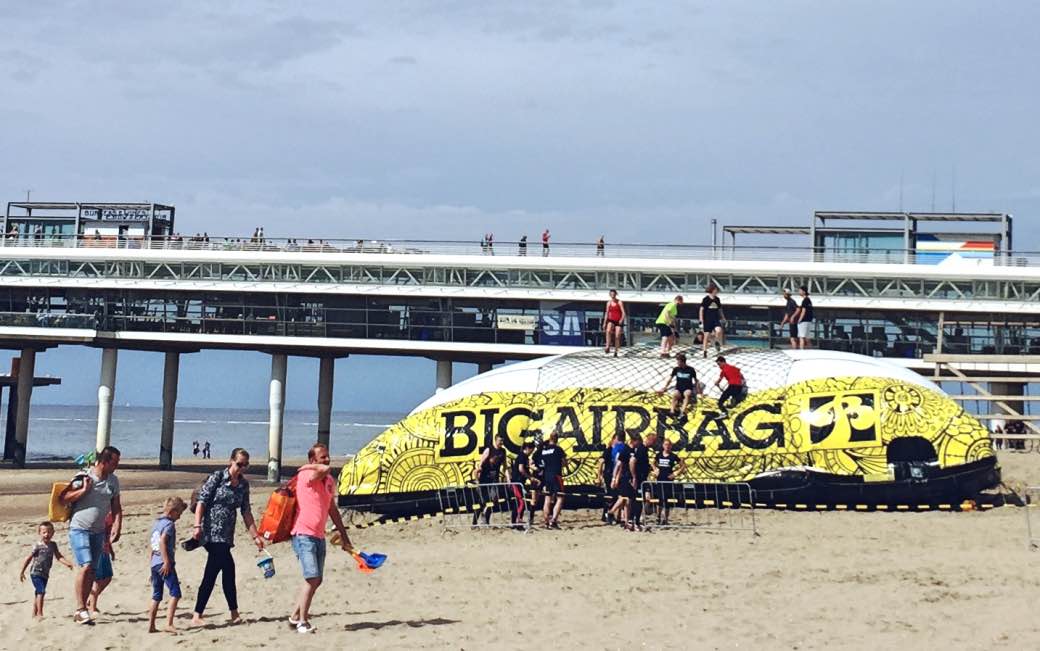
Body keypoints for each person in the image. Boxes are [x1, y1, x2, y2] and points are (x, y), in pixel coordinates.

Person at [190, 448, 264, 627]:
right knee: (222, 570)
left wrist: (255, 536)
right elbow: (202, 501)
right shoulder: (217, 477)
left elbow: (246, 511)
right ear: (231, 461)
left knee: (221, 571)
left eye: (245, 465)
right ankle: (204, 614)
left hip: (227, 535)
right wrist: (197, 526)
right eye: (239, 464)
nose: (242, 468)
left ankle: (217, 613)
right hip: (211, 533)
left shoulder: (243, 485)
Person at [289, 443, 353, 634]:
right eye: (322, 457)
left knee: (317, 580)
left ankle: (294, 616)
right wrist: (311, 467)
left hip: (319, 536)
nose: (326, 460)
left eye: (327, 456)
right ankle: (302, 622)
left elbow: (332, 509)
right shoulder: (306, 476)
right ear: (312, 461)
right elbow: (324, 469)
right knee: (312, 577)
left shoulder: (328, 481)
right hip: (303, 534)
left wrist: (344, 534)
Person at [59, 445, 122, 625]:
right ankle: (80, 608)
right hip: (79, 528)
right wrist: (83, 491)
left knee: (93, 570)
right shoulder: (84, 476)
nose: (117, 466)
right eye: (115, 462)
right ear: (104, 461)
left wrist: (118, 524)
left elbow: (116, 507)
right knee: (85, 566)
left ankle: (83, 610)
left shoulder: (113, 481)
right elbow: (63, 498)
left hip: (99, 531)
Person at [148, 497, 187, 634]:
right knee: (175, 593)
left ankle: (151, 625)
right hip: (164, 563)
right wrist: (166, 562)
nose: (180, 517)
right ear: (172, 511)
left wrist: (151, 565)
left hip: (154, 564)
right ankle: (169, 623)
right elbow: (162, 542)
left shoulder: (156, 524)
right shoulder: (169, 525)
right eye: (179, 513)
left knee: (156, 595)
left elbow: (152, 546)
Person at [20, 522, 72, 619]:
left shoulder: (53, 545)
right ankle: (40, 613)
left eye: (49, 532)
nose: (46, 535)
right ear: (39, 533)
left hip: (45, 573)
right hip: (35, 572)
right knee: (41, 591)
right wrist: (22, 571)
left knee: (38, 592)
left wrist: (67, 563)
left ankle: (34, 614)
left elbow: (58, 556)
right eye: (44, 532)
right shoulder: (38, 545)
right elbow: (29, 558)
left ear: (53, 533)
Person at [85, 511, 116, 618]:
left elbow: (107, 534)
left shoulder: (111, 515)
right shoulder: (101, 514)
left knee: (108, 577)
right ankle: (92, 607)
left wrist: (111, 550)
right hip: (98, 549)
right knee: (98, 579)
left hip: (105, 549)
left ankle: (91, 599)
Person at [472, 435, 507, 526]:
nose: (501, 443)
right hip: (484, 478)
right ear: (495, 440)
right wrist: (477, 479)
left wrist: (508, 478)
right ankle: (474, 522)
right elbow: (480, 464)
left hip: (494, 479)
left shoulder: (503, 451)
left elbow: (505, 466)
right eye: (500, 441)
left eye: (502, 441)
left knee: (494, 500)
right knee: (482, 501)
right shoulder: (489, 450)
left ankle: (486, 518)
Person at [536, 431, 566, 528]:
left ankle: (546, 520)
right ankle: (553, 520)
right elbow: (565, 462)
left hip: (547, 475)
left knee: (547, 498)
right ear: (557, 439)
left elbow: (539, 462)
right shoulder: (558, 449)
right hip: (556, 475)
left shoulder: (544, 451)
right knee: (560, 497)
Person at [652, 438, 685, 525]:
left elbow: (682, 466)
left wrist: (675, 474)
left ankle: (665, 519)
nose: (667, 446)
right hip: (659, 480)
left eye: (669, 445)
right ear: (663, 446)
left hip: (668, 480)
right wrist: (655, 470)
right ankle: (658, 517)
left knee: (666, 500)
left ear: (671, 446)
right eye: (666, 444)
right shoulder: (659, 455)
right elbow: (653, 463)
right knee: (659, 499)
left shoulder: (673, 456)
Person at [509, 440, 535, 529]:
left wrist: (531, 477)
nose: (532, 452)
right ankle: (518, 522)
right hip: (516, 482)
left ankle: (514, 522)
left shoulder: (525, 457)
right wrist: (529, 477)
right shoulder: (522, 456)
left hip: (519, 482)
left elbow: (525, 469)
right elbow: (521, 469)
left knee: (517, 503)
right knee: (521, 502)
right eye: (532, 450)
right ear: (527, 448)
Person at [629, 434, 651, 530]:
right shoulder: (641, 448)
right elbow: (632, 461)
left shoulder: (643, 449)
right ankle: (635, 521)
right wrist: (634, 477)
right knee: (638, 500)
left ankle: (638, 520)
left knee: (643, 498)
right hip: (639, 479)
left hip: (643, 478)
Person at [598, 433, 621, 523]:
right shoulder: (609, 450)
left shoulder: (618, 450)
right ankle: (607, 514)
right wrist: (599, 475)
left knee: (614, 496)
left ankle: (609, 514)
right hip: (608, 475)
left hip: (615, 475)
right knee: (610, 495)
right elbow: (601, 462)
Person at [699, 284, 726, 358]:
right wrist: (701, 321)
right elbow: (701, 310)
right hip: (707, 320)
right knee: (706, 336)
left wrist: (723, 318)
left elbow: (720, 309)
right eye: (716, 290)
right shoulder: (706, 299)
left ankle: (716, 342)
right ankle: (705, 351)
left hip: (715, 319)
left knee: (719, 330)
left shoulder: (717, 299)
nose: (717, 291)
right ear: (712, 290)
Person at [603, 289, 626, 356]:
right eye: (611, 294)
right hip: (611, 320)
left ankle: (616, 350)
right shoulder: (608, 303)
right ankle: (607, 346)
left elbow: (623, 313)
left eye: (614, 294)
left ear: (616, 294)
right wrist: (604, 322)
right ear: (610, 295)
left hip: (618, 320)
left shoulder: (619, 302)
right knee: (608, 330)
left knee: (617, 335)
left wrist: (621, 319)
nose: (612, 296)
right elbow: (606, 313)